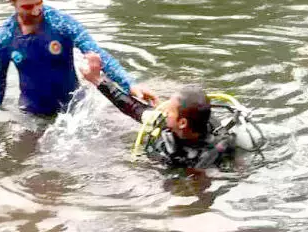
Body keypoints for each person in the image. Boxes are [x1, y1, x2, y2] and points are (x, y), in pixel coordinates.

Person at [0, 0, 157, 116]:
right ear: (12, 1)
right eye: (27, 7)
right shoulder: (3, 38)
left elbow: (97, 54)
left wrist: (130, 85)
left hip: (75, 109)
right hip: (31, 113)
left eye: (39, 3)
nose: (35, 11)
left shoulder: (61, 23)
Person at [81, 53, 260, 176]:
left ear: (182, 123)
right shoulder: (208, 126)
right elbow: (134, 108)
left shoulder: (205, 152)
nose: (163, 110)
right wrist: (98, 80)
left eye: (170, 110)